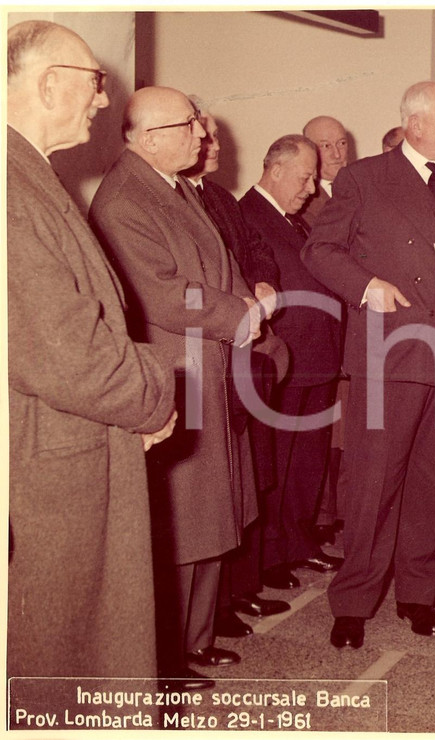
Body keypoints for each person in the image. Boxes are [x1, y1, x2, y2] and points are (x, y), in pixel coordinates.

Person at [89, 85, 285, 683]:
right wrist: (238, 315)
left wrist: (247, 304)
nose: (201, 133)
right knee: (184, 519)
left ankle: (194, 641)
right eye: (188, 125)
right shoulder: (123, 199)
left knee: (209, 514)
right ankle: (166, 659)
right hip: (176, 370)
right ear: (150, 137)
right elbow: (159, 292)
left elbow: (220, 265)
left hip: (207, 365)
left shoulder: (170, 185)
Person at [302, 81, 435, 650]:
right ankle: (353, 601)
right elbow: (320, 250)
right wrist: (366, 285)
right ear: (415, 123)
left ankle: (418, 593)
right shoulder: (364, 178)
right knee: (372, 484)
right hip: (389, 351)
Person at [7, 19, 176, 679]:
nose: (104, 99)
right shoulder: (12, 188)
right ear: (50, 84)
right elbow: (66, 353)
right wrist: (157, 393)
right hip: (50, 469)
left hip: (64, 448)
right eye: (95, 82)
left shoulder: (29, 175)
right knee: (59, 665)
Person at [181, 106, 289, 637]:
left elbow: (255, 251)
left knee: (244, 481)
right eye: (205, 136)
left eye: (215, 136)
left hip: (242, 350)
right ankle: (215, 609)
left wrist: (263, 282)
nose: (215, 145)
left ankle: (237, 592)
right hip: (208, 351)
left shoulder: (219, 198)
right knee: (212, 492)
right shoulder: (176, 198)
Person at [239, 134, 345, 589]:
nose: (311, 188)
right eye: (304, 178)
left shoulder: (294, 219)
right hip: (285, 359)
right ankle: (271, 555)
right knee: (278, 466)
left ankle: (300, 543)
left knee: (307, 461)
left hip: (318, 357)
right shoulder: (247, 215)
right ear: (276, 170)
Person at [300, 115, 350, 225]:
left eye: (341, 143)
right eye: (326, 146)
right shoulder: (300, 199)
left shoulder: (367, 184)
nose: (337, 155)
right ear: (309, 150)